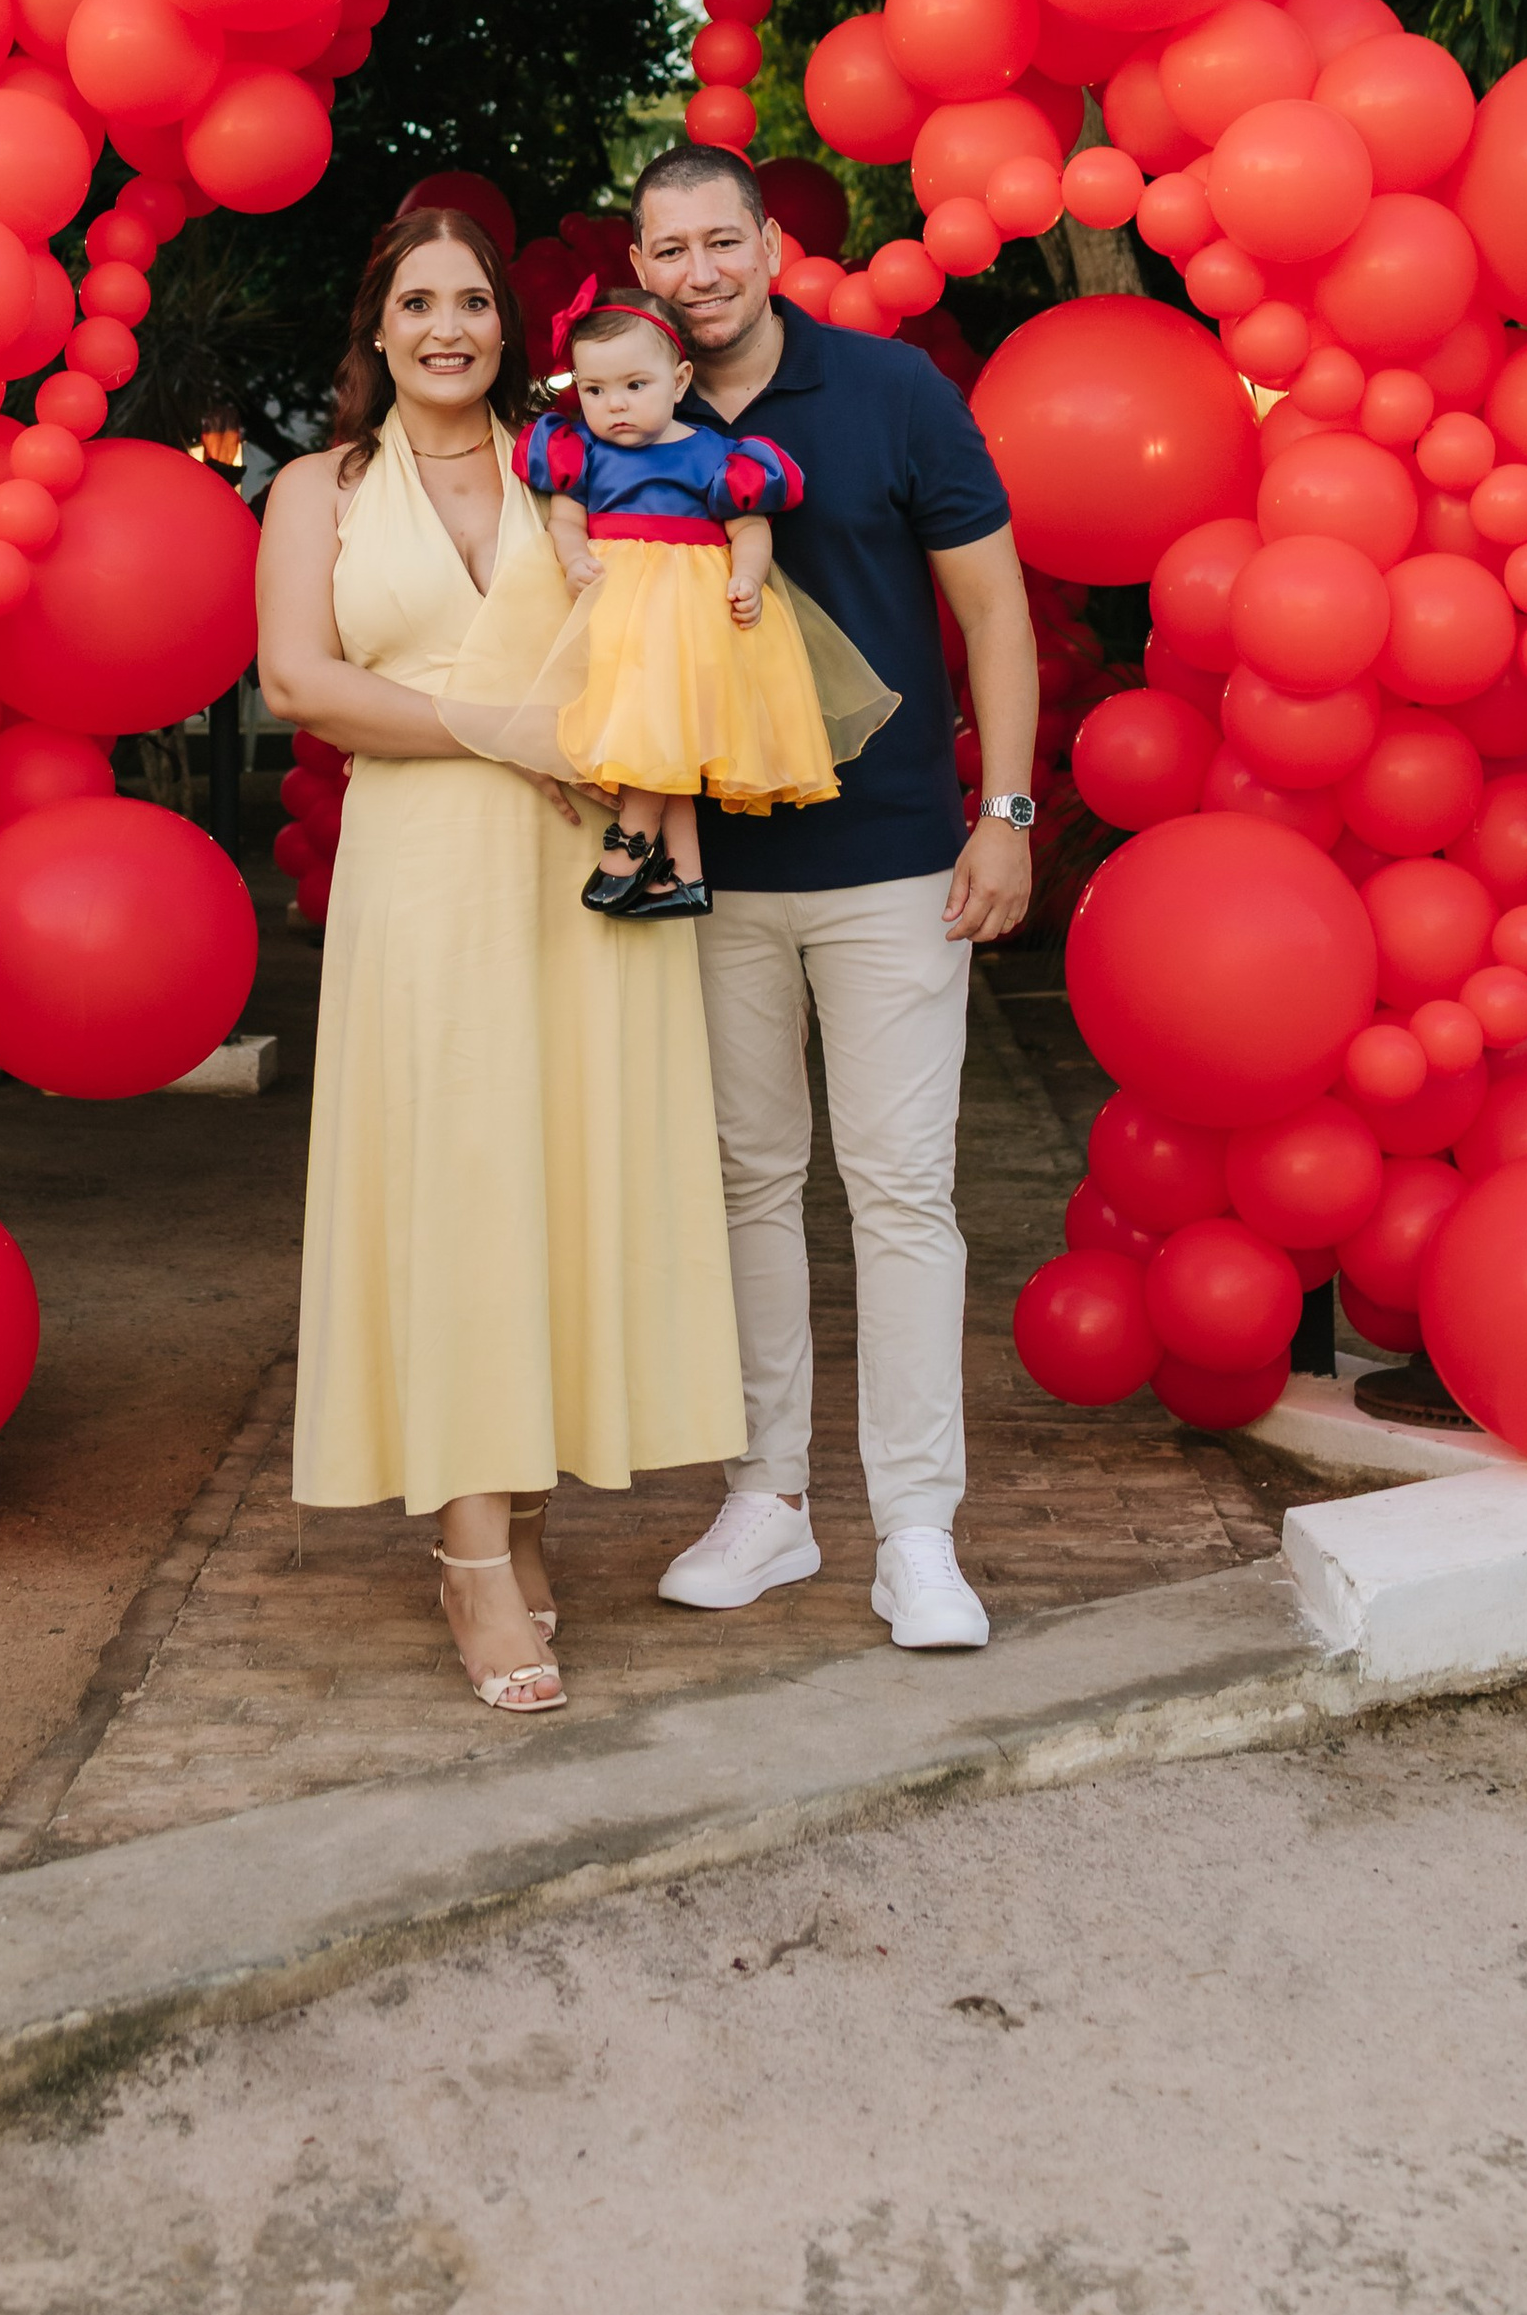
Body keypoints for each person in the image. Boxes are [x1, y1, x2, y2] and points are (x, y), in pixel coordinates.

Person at [255, 207, 747, 1716]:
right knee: (459, 1181)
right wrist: (503, 727)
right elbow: (300, 682)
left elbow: (662, 627)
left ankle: (522, 1511)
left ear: (506, 326)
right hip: (425, 875)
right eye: (419, 301)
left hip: (578, 865)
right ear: (379, 325)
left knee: (560, 1184)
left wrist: (615, 737)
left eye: (474, 299)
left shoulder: (580, 470)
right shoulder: (317, 488)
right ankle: (471, 1553)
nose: (449, 324)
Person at [626, 143, 1039, 1652]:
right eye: (666, 252)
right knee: (745, 1182)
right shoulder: (622, 415)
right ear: (641, 271)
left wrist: (1006, 811)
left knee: (901, 1189)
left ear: (770, 243)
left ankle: (918, 1532)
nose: (697, 273)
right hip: (710, 872)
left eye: (719, 241)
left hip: (895, 865)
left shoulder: (893, 392)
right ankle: (770, 1503)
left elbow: (992, 606)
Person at [444, 281, 894, 923]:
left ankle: (630, 846)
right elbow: (566, 520)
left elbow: (751, 528)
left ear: (679, 379)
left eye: (635, 386)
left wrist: (747, 578)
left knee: (657, 732)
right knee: (661, 745)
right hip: (614, 612)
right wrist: (573, 557)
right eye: (594, 391)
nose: (614, 406)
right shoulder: (581, 450)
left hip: (687, 621)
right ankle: (687, 874)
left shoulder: (715, 456)